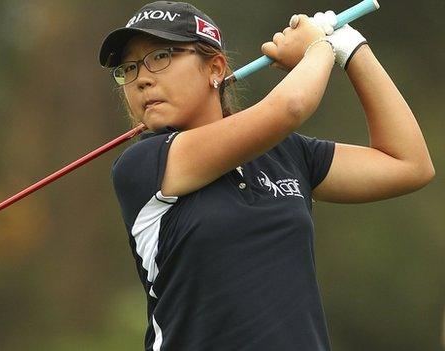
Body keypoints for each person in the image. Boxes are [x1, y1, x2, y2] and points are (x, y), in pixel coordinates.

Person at [99, 2, 435, 350]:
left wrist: (351, 49)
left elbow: (409, 164)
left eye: (160, 57)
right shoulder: (144, 164)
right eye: (129, 68)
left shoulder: (286, 154)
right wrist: (319, 47)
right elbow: (290, 107)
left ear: (214, 67)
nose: (141, 79)